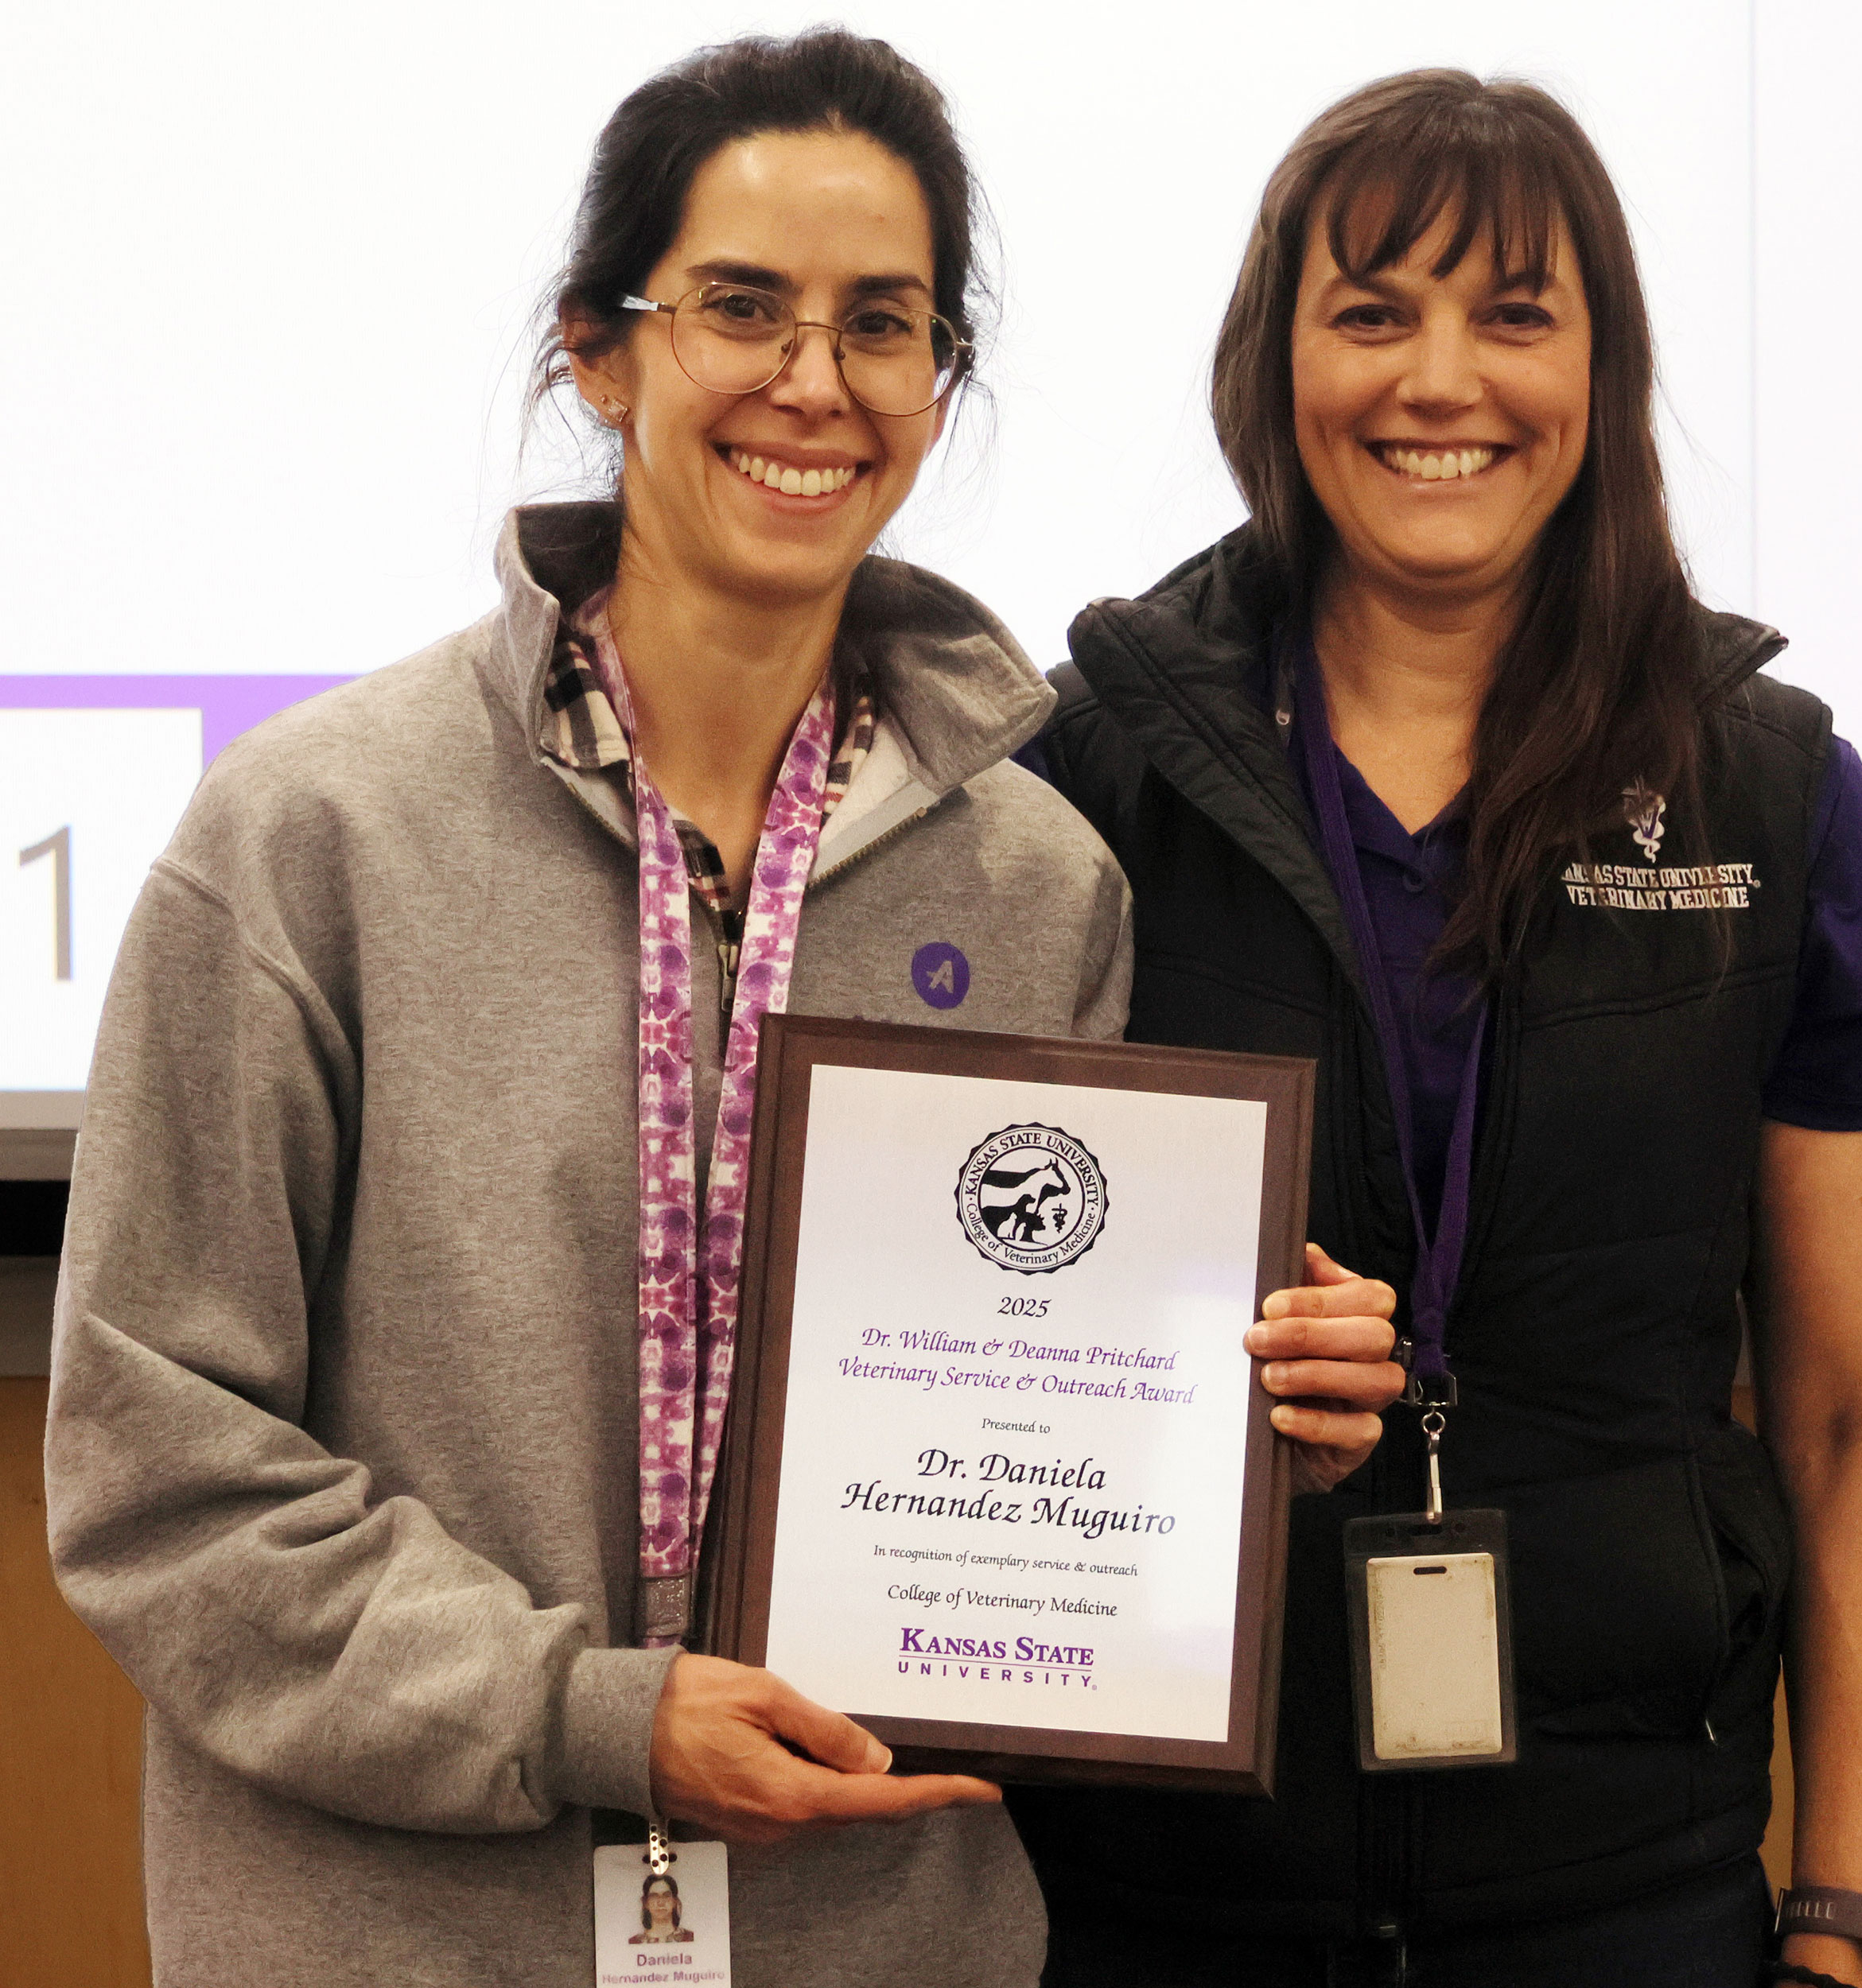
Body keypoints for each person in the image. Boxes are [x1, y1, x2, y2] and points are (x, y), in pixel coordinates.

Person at [42, 30, 1135, 1988]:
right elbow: (159, 1467)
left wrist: (1217, 1415)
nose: (812, 379)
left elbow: (1049, 1422)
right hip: (388, 1931)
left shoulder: (1038, 885)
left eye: (879, 323)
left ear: (934, 384)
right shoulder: (308, 836)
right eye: (740, 306)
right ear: (598, 351)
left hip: (870, 1938)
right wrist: (590, 1713)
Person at [1012, 70, 1862, 1988]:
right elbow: (976, 1302)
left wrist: (1847, 1921)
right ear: (1270, 365)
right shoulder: (1081, 775)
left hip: (1627, 1890)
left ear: (1597, 370)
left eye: (1511, 314)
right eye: (1370, 312)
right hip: (1151, 1895)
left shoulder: (1768, 794)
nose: (1438, 379)